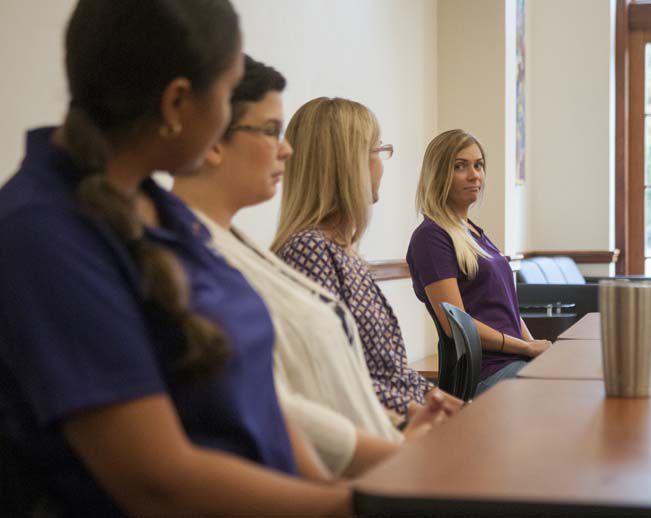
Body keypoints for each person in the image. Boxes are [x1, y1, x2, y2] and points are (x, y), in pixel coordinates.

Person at [0, 2, 352, 516]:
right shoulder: (42, 235)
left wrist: (328, 493)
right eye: (230, 94)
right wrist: (350, 507)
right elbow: (158, 482)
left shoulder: (159, 208)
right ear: (177, 103)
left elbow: (254, 396)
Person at [173, 56, 462, 478]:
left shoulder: (242, 245)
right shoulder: (299, 250)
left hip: (381, 447)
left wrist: (414, 423)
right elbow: (288, 402)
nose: (285, 150)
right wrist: (398, 439)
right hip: (368, 460)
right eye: (271, 131)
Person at [271, 97, 441, 419]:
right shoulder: (309, 251)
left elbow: (389, 373)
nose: (381, 164)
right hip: (384, 433)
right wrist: (422, 412)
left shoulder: (342, 250)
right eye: (378, 150)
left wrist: (437, 400)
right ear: (348, 163)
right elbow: (336, 381)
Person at [406, 129, 551, 394]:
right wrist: (527, 348)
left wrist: (534, 348)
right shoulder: (431, 237)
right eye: (460, 166)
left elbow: (508, 310)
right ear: (438, 174)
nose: (474, 175)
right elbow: (457, 325)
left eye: (478, 165)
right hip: (485, 373)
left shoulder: (473, 233)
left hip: (514, 362)